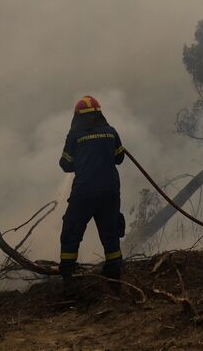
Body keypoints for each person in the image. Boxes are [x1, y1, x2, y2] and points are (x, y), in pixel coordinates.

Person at [58, 94, 126, 296]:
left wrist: (83, 157)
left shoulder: (74, 136)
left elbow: (65, 165)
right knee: (110, 234)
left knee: (71, 232)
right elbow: (120, 158)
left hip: (84, 193)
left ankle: (69, 282)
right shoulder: (111, 132)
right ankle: (115, 281)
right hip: (110, 192)